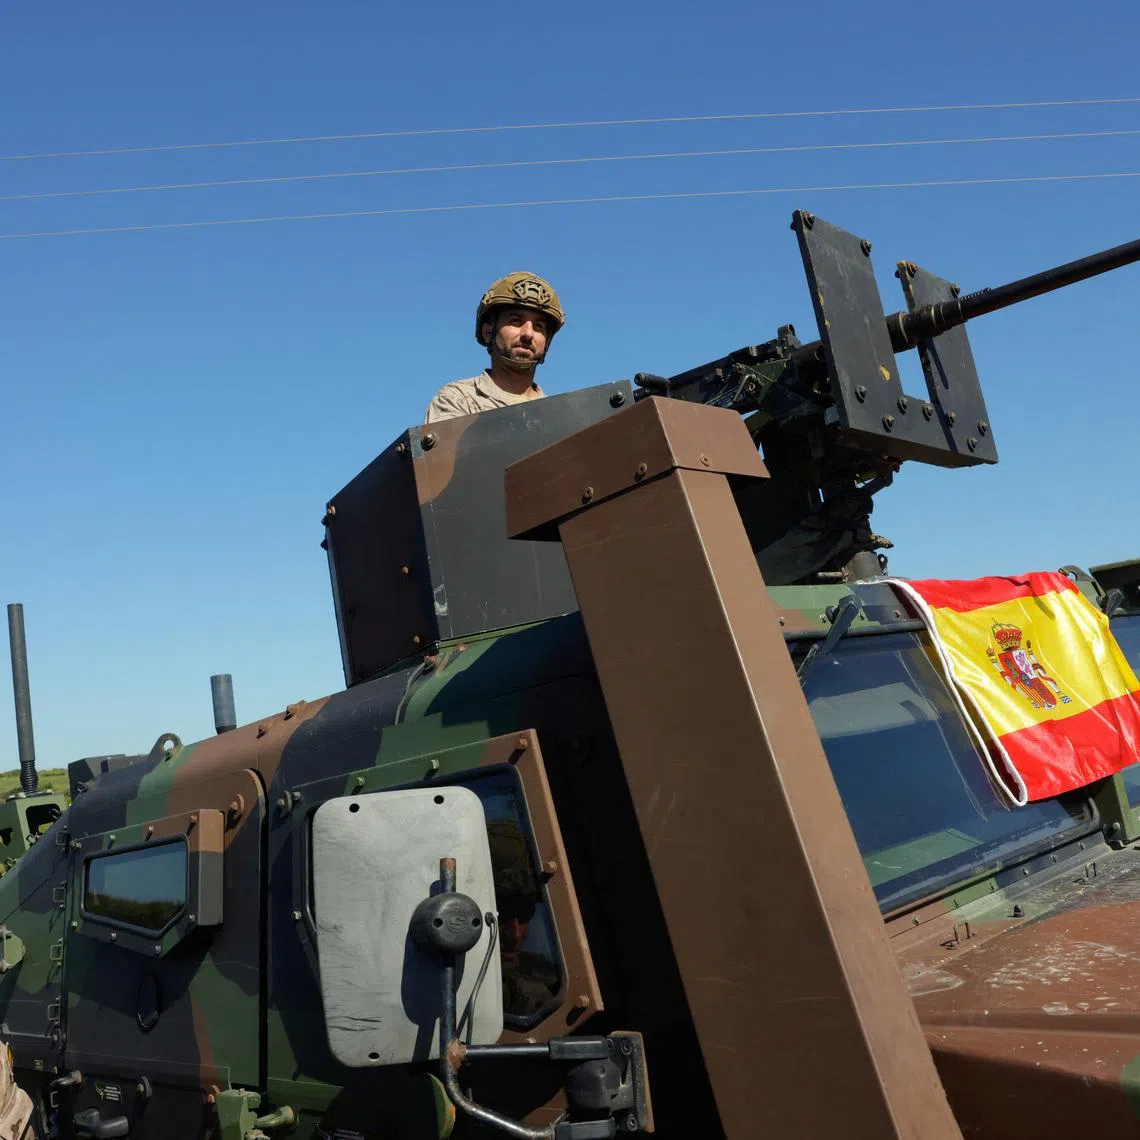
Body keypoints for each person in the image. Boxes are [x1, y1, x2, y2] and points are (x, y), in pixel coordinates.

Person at [424, 272, 565, 423]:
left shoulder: (559, 416)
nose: (528, 334)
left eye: (539, 326)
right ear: (488, 332)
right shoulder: (458, 399)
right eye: (516, 321)